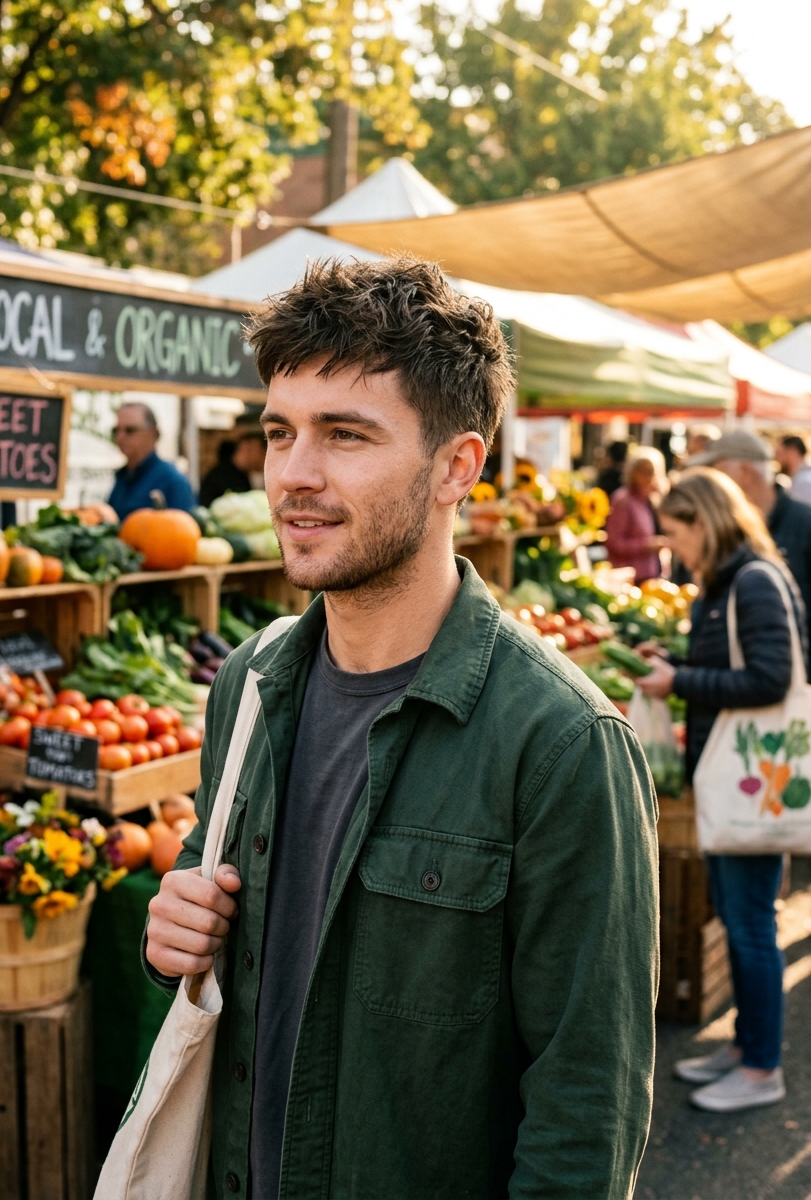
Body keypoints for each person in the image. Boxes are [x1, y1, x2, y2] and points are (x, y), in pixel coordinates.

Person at [142, 258, 659, 1198]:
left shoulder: (563, 747)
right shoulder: (249, 685)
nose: (294, 476)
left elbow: (586, 1113)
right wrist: (175, 929)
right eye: (279, 432)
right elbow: (219, 903)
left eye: (344, 435)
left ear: (456, 467)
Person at [640, 468, 806, 1114]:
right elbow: (730, 667)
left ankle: (764, 1068)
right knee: (740, 922)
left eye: (677, 535)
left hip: (752, 782)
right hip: (732, 779)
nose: (674, 550)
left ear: (706, 523)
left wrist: (679, 683)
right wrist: (677, 664)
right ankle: (745, 1047)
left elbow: (772, 677)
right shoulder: (727, 582)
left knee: (752, 926)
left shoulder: (753, 581)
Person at [688, 430, 811, 646]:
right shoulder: (729, 531)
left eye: (715, 472)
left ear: (745, 472)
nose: (710, 483)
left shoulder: (804, 523)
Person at [107, 401, 195, 520]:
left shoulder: (173, 481)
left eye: (130, 430)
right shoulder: (123, 476)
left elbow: (184, 531)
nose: (120, 437)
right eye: (116, 430)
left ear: (152, 433)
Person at [604, 446, 669, 582]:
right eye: (644, 471)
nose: (649, 476)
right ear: (632, 472)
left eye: (652, 472)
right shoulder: (623, 500)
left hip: (654, 574)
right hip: (631, 577)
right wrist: (647, 545)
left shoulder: (653, 499)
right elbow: (614, 543)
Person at [776, 435, 811, 505]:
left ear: (792, 452)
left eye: (779, 454)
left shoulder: (804, 482)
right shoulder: (801, 479)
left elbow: (802, 514)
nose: (777, 459)